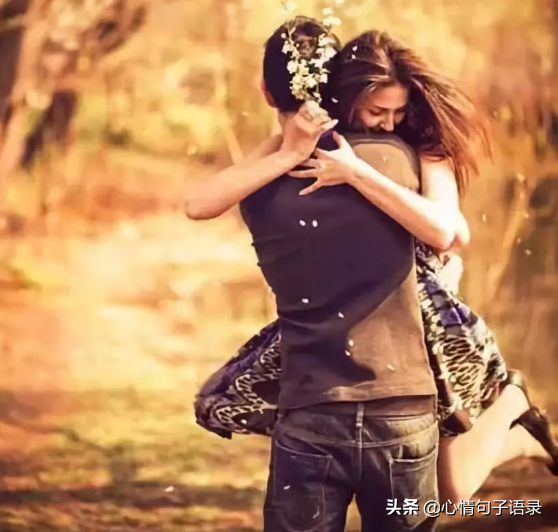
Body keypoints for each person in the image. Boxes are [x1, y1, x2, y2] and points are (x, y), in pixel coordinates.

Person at [186, 21, 558, 527]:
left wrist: (358, 173)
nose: (387, 123)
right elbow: (201, 202)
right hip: (370, 361)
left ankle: (511, 404)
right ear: (346, 98)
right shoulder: (300, 149)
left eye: (397, 112)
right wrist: (292, 150)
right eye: (377, 111)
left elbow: (452, 233)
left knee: (448, 488)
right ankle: (518, 425)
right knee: (449, 488)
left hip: (427, 326)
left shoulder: (422, 145)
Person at [190, 18, 442, 532]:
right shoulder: (397, 159)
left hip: (310, 406)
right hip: (403, 404)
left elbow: (198, 203)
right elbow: (447, 233)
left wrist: (287, 151)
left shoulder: (259, 186)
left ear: (266, 92)